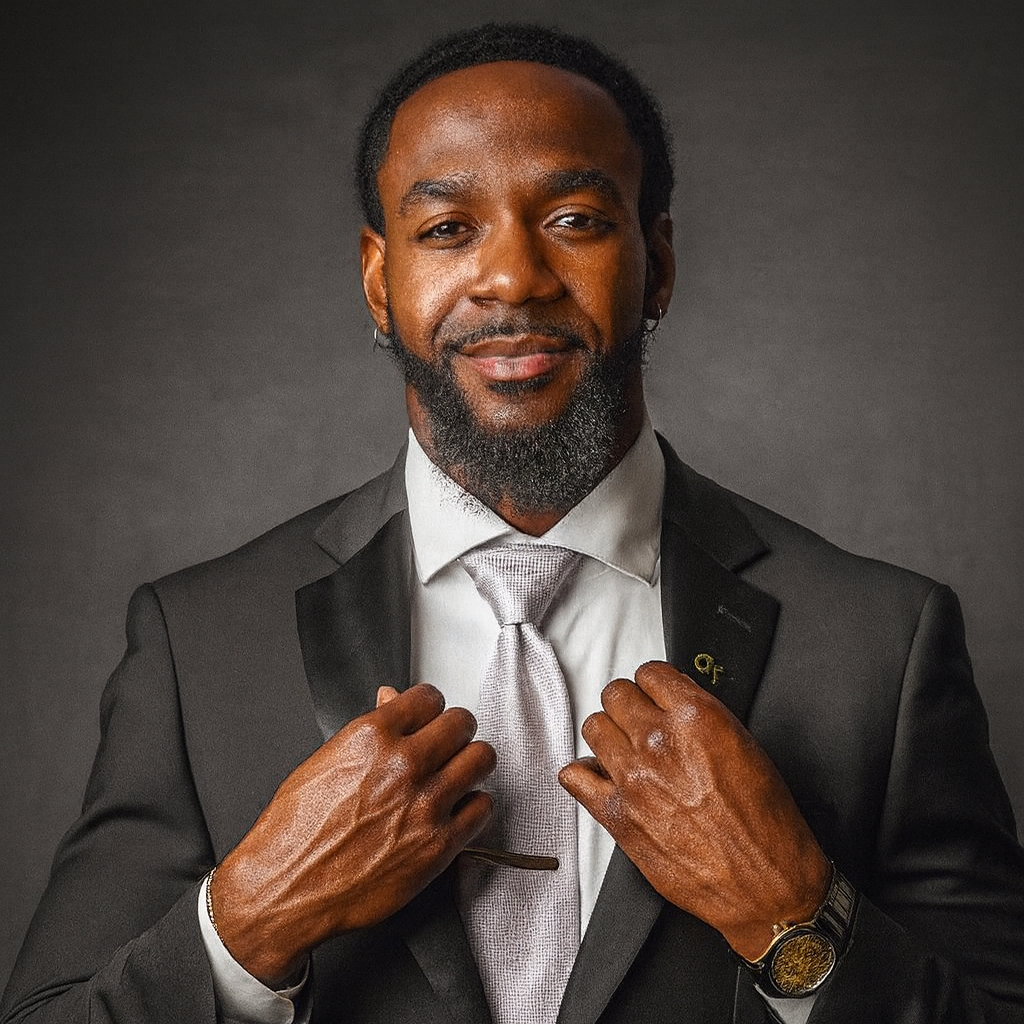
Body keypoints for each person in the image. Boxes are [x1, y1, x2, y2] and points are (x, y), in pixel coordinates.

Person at [3, 21, 1024, 1024]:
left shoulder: (879, 641)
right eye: (448, 229)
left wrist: (794, 916)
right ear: (379, 281)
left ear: (658, 262)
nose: (513, 278)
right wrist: (254, 919)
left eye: (574, 220)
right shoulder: (198, 643)